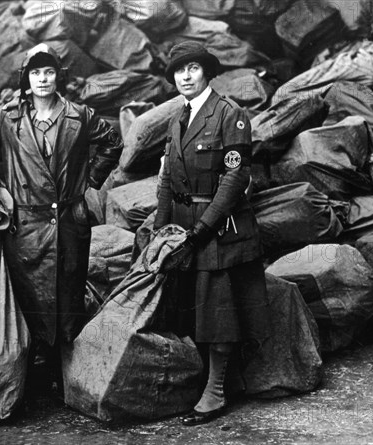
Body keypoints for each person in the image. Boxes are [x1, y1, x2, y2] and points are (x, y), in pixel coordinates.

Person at [0, 43, 123, 379]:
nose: (42, 79)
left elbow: (113, 143)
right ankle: (31, 369)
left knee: (68, 297)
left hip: (69, 218)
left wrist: (89, 181)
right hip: (25, 223)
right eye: (35, 73)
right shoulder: (7, 117)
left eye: (48, 72)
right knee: (30, 298)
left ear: (58, 77)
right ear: (26, 79)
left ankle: (65, 368)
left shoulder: (79, 115)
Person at [154, 41, 271, 425]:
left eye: (193, 68)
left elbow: (235, 178)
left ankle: (216, 391)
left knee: (218, 311)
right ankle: (211, 380)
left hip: (219, 229)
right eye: (178, 70)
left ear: (206, 72)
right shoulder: (178, 118)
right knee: (193, 309)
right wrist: (161, 231)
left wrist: (200, 232)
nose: (185, 76)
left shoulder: (229, 114)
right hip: (185, 226)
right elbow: (167, 179)